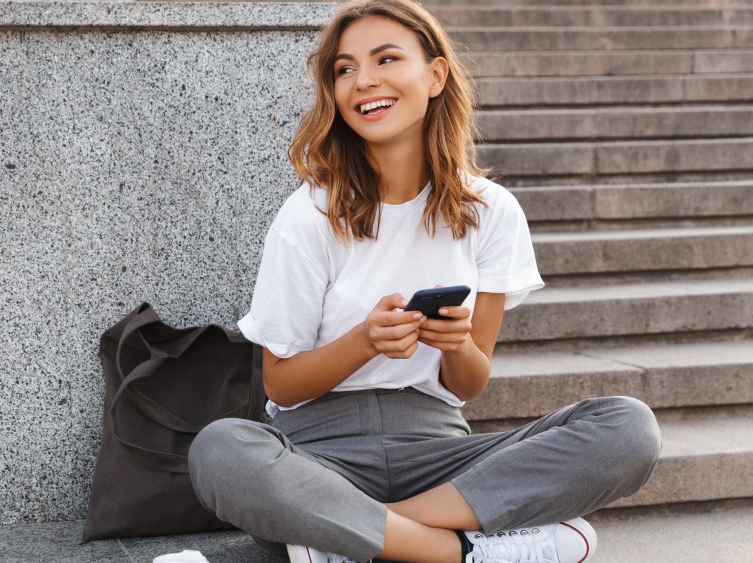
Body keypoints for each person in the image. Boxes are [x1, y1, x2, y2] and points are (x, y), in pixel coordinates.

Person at [188, 1, 662, 562]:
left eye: (386, 58)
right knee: (221, 450)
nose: (364, 81)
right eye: (344, 69)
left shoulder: (492, 211)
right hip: (318, 457)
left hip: (438, 457)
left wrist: (456, 343)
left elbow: (467, 385)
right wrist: (364, 341)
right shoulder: (309, 213)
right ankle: (460, 552)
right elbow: (281, 385)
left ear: (435, 75)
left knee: (627, 428)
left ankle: (346, 540)